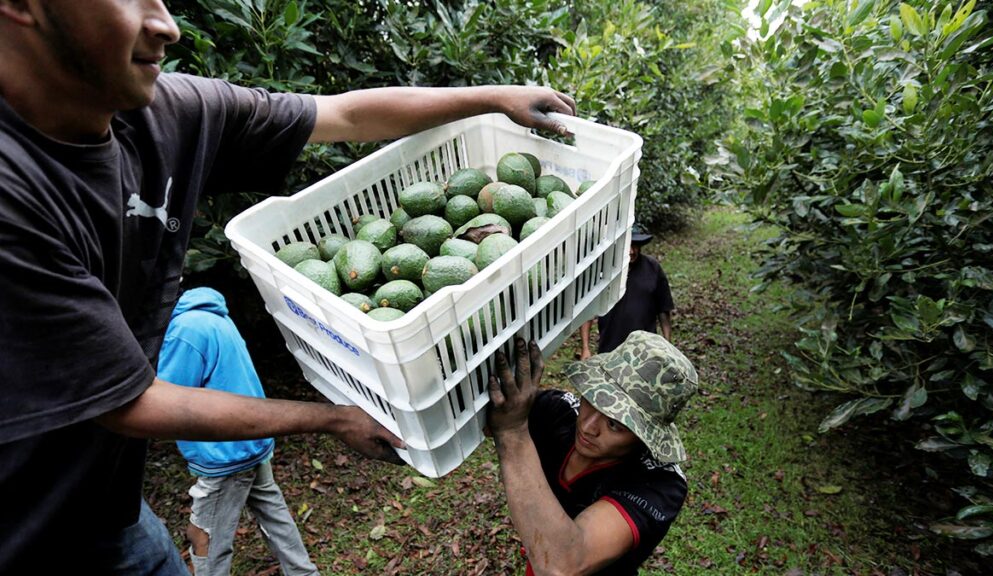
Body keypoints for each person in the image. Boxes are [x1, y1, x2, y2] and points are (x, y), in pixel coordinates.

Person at [0, 1, 576, 573]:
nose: (166, 25)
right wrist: (329, 417)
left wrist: (493, 97)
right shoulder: (15, 191)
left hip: (110, 508)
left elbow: (343, 116)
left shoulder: (165, 111)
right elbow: (130, 403)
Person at [487, 331, 698, 575]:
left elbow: (563, 563)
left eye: (614, 424)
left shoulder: (659, 484)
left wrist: (513, 433)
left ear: (645, 436)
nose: (587, 427)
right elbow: (489, 417)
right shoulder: (561, 412)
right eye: (593, 399)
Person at [158, 287, 319, 576]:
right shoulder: (210, 315)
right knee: (274, 516)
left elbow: (167, 401)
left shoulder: (184, 331)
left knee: (203, 535)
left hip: (224, 454)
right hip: (251, 441)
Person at [580, 227, 673, 359]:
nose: (631, 251)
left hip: (646, 350)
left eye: (635, 246)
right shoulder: (604, 270)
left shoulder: (653, 268)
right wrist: (585, 348)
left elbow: (663, 309)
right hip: (610, 349)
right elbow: (587, 312)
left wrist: (667, 345)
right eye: (627, 246)